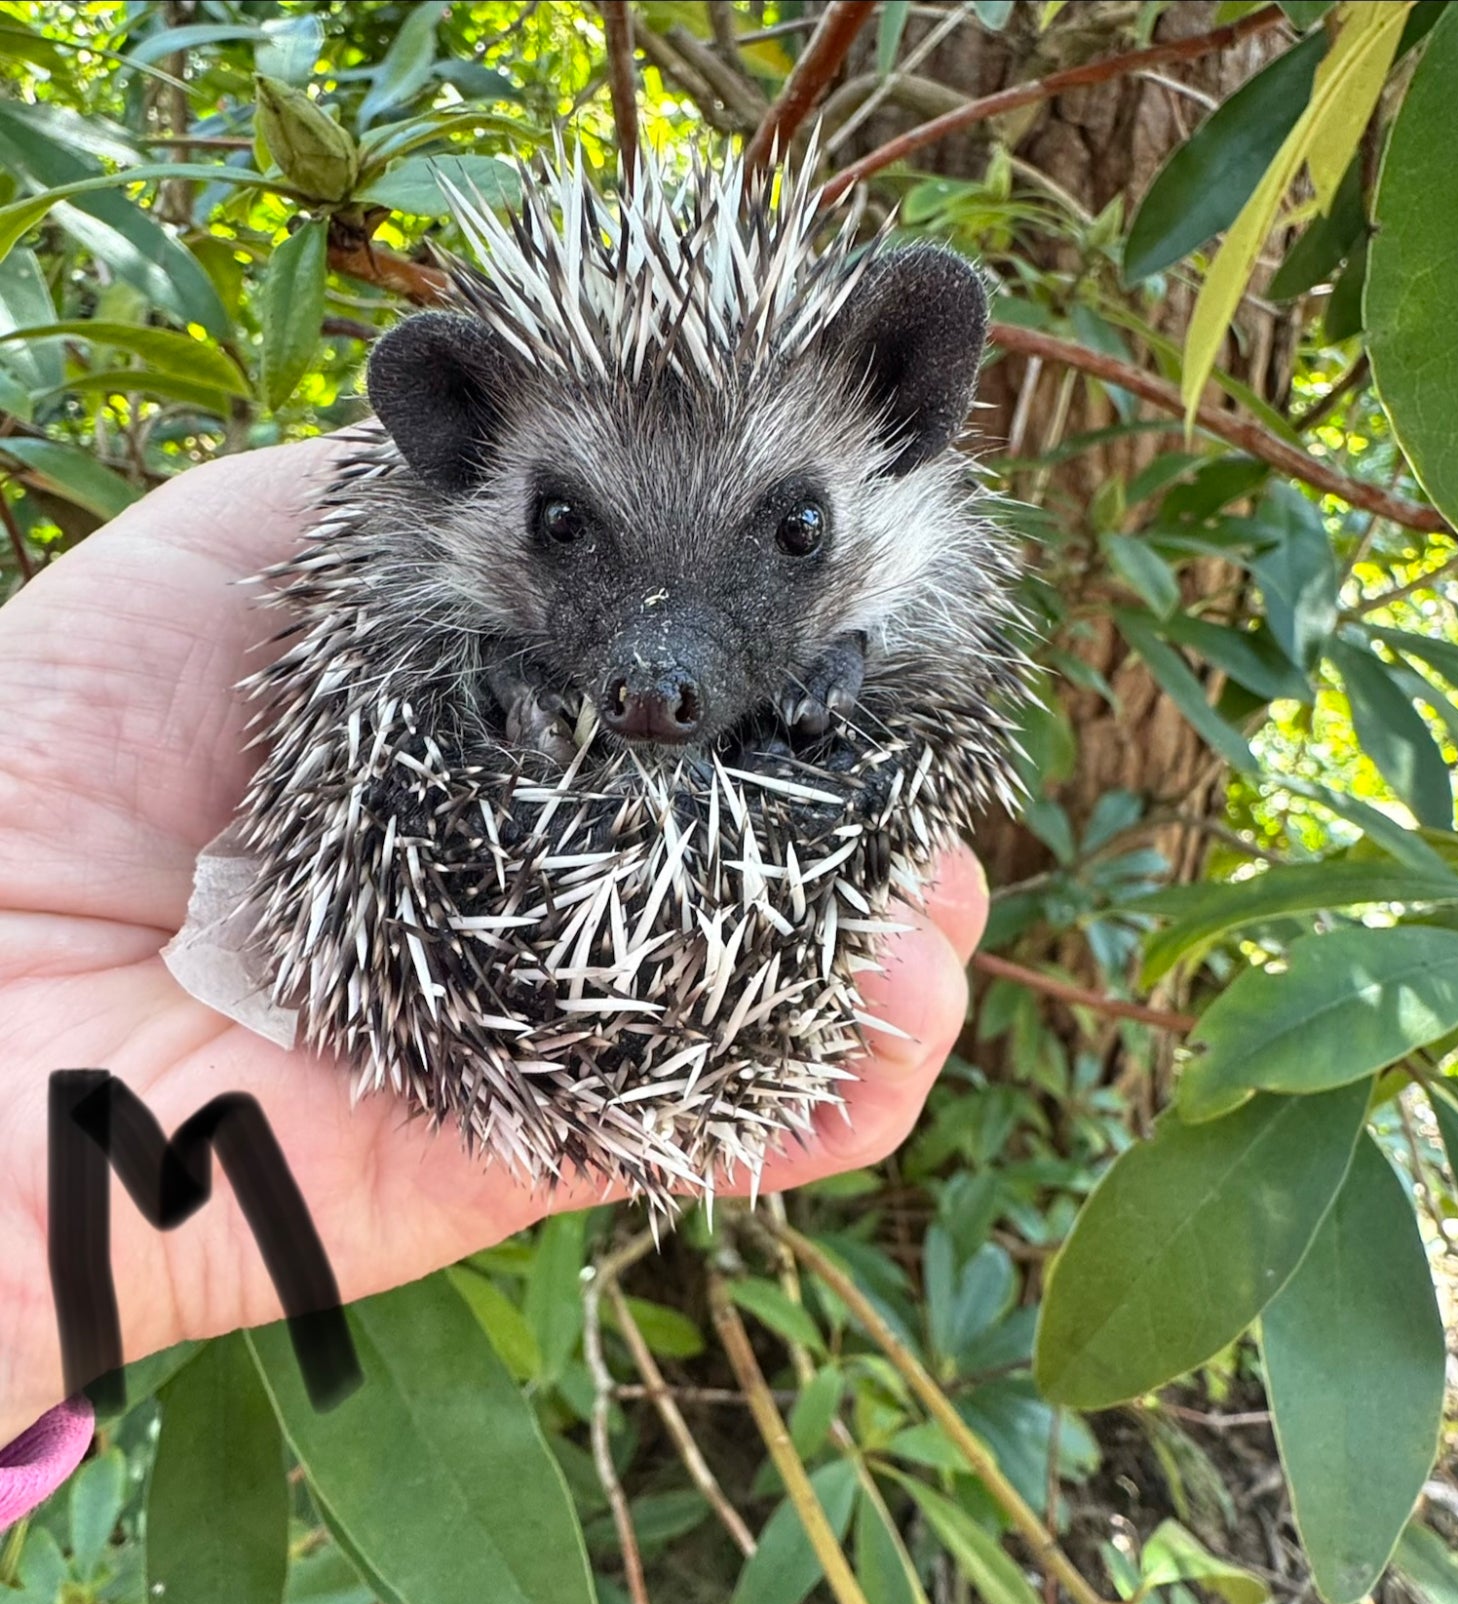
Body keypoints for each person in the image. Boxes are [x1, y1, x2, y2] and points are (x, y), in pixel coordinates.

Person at [0, 437, 989, 1519]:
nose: (657, 674)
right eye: (566, 529)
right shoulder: (408, 585)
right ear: (453, 442)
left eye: (793, 536)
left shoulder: (919, 593)